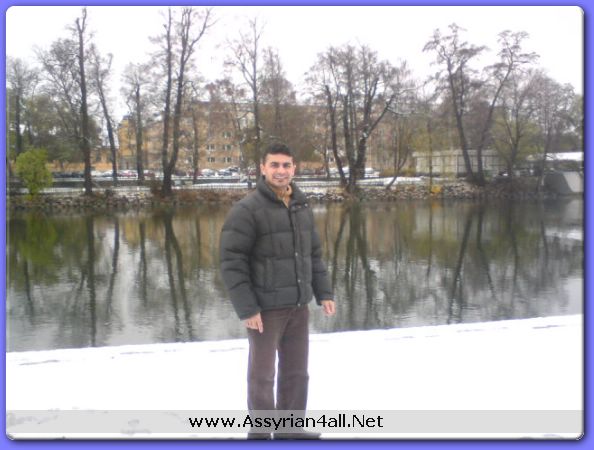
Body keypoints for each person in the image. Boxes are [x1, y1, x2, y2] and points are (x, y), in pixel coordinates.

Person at [220, 143, 336, 440]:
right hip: (265, 310)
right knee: (262, 375)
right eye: (274, 165)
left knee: (297, 372)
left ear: (294, 168)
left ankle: (289, 430)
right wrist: (248, 309)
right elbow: (232, 263)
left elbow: (313, 254)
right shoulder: (247, 209)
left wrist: (324, 292)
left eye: (286, 165)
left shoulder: (301, 205)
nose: (281, 171)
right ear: (263, 168)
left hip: (298, 305)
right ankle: (260, 435)